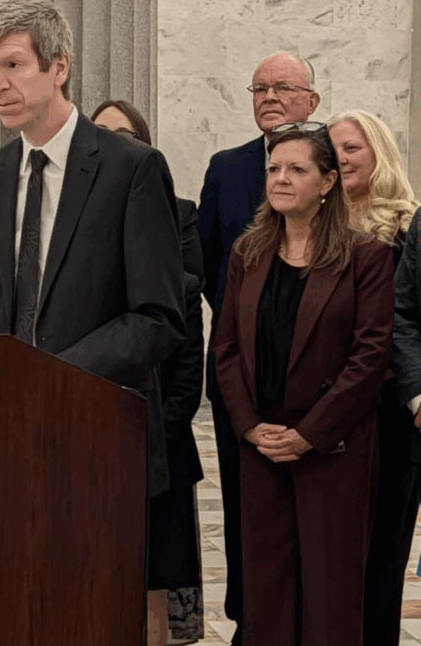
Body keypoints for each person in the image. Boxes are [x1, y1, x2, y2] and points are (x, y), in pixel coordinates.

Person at [0, 0, 185, 615]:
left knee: (90, 617)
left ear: (59, 67)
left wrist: (52, 379)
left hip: (97, 440)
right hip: (4, 444)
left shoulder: (131, 169)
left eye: (12, 64)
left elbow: (160, 318)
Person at [212, 123, 393, 645]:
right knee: (266, 592)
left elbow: (371, 356)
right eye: (273, 169)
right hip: (262, 448)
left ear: (328, 181)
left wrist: (309, 433)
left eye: (297, 169)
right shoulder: (248, 252)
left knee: (329, 596)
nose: (281, 179)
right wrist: (248, 427)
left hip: (332, 450)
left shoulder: (367, 256)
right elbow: (224, 348)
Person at [198, 51, 320, 643]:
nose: (269, 97)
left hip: (314, 376)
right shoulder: (226, 167)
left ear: (312, 102)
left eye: (283, 88)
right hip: (237, 374)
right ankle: (251, 619)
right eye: (259, 88)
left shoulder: (331, 166)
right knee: (246, 500)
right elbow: (203, 263)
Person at [93, 99, 205, 646]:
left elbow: (180, 328)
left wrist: (164, 421)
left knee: (154, 576)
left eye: (126, 135)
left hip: (157, 426)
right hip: (87, 417)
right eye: (102, 135)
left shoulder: (177, 213)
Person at [330, 110, 421, 644]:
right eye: (335, 147)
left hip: (388, 411)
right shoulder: (314, 225)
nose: (341, 156)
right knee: (335, 553)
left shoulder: (408, 225)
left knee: (383, 550)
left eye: (353, 146)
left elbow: (407, 318)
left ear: (378, 152)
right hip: (326, 411)